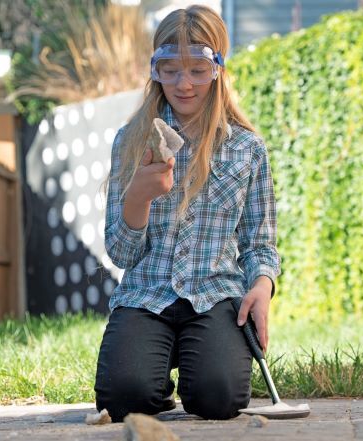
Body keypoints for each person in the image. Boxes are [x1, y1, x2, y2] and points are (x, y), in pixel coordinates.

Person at [95, 4, 280, 422]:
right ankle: (152, 369)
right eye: (170, 69)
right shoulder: (131, 141)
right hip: (146, 295)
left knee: (219, 400)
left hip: (215, 295)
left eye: (197, 69)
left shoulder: (247, 149)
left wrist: (263, 285)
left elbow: (259, 242)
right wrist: (138, 198)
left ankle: (199, 360)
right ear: (154, 70)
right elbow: (121, 254)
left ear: (217, 68)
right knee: (123, 399)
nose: (184, 84)